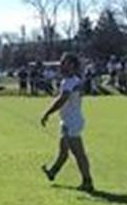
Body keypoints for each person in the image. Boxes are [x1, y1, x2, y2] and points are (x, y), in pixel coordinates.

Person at [40, 53, 94, 191]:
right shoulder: (73, 80)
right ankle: (53, 172)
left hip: (72, 122)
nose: (61, 65)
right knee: (63, 151)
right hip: (68, 120)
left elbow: (62, 99)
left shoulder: (69, 82)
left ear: (72, 65)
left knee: (79, 153)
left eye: (64, 62)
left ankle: (87, 181)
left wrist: (47, 113)